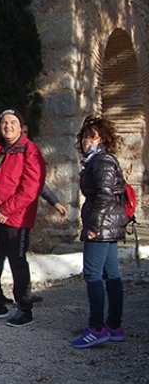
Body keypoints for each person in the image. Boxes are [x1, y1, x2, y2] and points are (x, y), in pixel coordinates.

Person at [0, 109, 46, 327]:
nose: (8, 126)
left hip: (17, 218)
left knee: (17, 261)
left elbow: (31, 188)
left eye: (13, 122)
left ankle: (25, 308)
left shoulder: (30, 150)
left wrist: (8, 210)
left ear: (20, 126)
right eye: (4, 122)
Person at [70, 115, 129, 348]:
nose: (86, 141)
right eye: (85, 136)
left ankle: (96, 328)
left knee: (93, 275)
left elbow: (104, 195)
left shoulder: (102, 161)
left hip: (101, 226)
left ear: (102, 138)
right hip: (108, 225)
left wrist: (93, 226)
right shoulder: (99, 161)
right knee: (112, 275)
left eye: (92, 136)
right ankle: (114, 327)